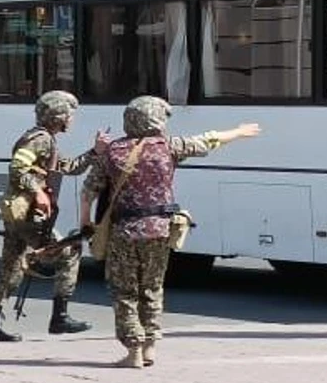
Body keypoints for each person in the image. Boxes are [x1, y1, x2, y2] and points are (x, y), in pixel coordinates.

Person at [83, 96, 261, 368]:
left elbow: (89, 191)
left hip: (124, 231)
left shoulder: (113, 151)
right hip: (160, 228)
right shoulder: (169, 146)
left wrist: (87, 222)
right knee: (152, 287)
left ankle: (133, 352)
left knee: (124, 291)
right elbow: (208, 140)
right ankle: (151, 346)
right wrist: (237, 132)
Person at [0, 90, 96, 342]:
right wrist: (38, 192)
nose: (72, 119)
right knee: (70, 251)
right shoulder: (40, 140)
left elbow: (69, 167)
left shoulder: (46, 140)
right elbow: (17, 169)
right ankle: (60, 317)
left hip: (20, 215)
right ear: (58, 115)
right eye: (69, 114)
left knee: (10, 267)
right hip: (29, 215)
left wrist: (94, 152)